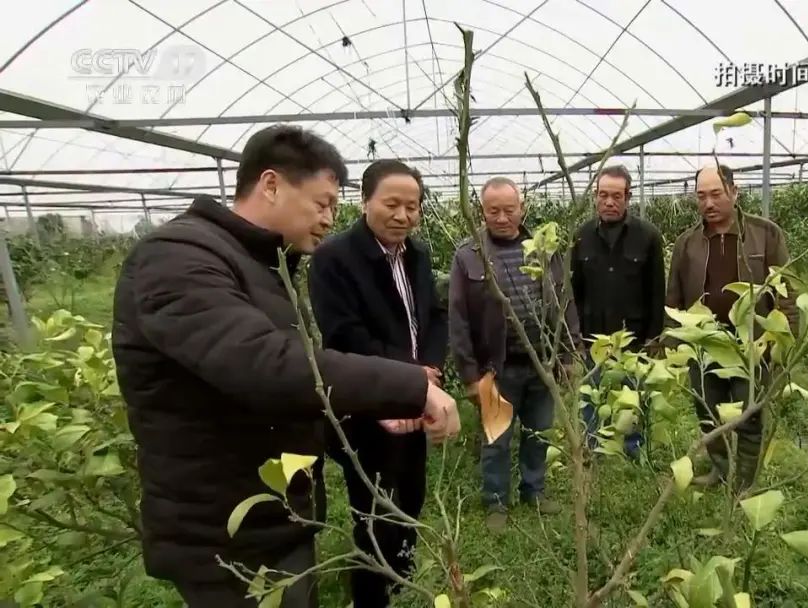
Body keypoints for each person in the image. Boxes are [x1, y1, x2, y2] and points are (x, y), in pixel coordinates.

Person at [111, 125, 460, 608]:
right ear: (271, 185)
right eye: (321, 204)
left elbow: (290, 380)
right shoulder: (179, 257)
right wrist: (410, 386)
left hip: (273, 515)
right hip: (226, 529)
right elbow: (265, 364)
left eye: (333, 207)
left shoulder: (263, 263)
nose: (327, 218)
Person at [306, 159, 447, 607]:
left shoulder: (419, 256)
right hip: (368, 407)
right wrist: (406, 376)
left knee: (411, 498)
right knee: (374, 511)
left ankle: (402, 582)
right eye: (392, 204)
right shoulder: (335, 259)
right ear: (365, 201)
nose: (403, 215)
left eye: (412, 206)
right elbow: (345, 334)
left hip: (416, 398)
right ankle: (373, 595)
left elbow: (434, 316)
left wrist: (430, 367)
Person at [448, 176, 581, 531]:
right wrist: (471, 375)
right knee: (496, 439)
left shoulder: (543, 250)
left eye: (509, 209)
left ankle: (533, 491)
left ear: (522, 208)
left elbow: (564, 304)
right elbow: (458, 320)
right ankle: (495, 501)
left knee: (539, 432)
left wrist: (569, 355)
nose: (502, 217)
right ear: (482, 211)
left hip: (542, 364)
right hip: (497, 369)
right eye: (494, 210)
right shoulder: (469, 256)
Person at [666, 164, 798, 491]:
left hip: (751, 343)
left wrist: (782, 340)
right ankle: (721, 469)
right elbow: (675, 295)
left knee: (749, 414)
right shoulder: (687, 243)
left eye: (716, 194)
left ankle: (745, 481)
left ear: (734, 193)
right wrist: (673, 342)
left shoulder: (765, 234)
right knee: (708, 410)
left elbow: (786, 291)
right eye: (701, 196)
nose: (708, 203)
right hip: (704, 342)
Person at [570, 165, 665, 459]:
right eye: (603, 195)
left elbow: (656, 291)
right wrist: (574, 338)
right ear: (595, 197)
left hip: (633, 338)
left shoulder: (647, 237)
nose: (609, 202)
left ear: (628, 197)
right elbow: (574, 291)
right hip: (592, 338)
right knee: (591, 395)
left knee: (633, 395)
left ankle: (633, 447)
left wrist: (653, 337)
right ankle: (592, 446)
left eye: (616, 196)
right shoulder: (582, 236)